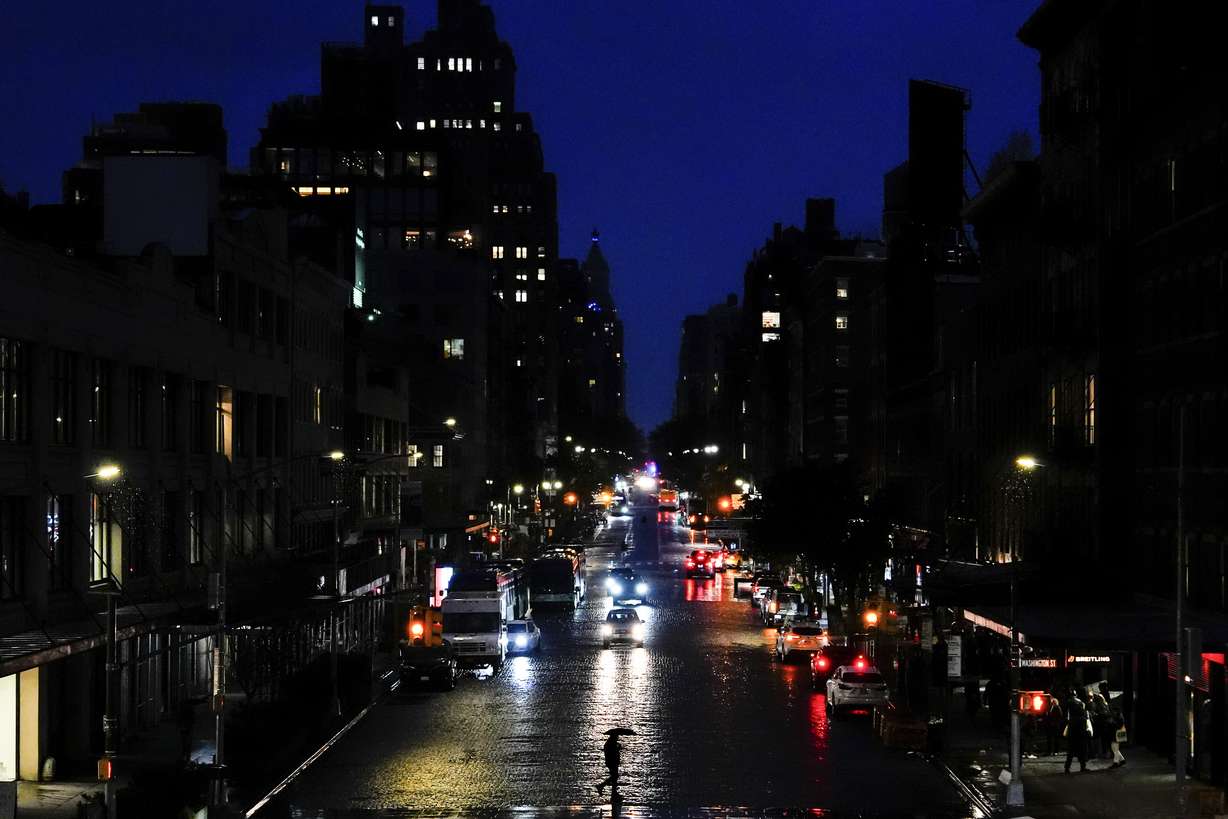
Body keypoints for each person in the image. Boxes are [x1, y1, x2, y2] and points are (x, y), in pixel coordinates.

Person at [1065, 689, 1091, 773]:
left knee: (1071, 751)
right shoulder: (1081, 704)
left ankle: (1067, 768)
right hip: (1080, 732)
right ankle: (1082, 767)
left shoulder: (1069, 704)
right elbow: (1085, 717)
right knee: (1082, 750)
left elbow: (1067, 717)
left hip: (1072, 731)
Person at [1088, 682, 1112, 759]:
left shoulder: (1102, 702)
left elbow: (1101, 713)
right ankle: (1105, 752)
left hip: (1103, 722)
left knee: (1103, 738)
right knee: (1105, 739)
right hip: (1104, 722)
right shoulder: (1106, 702)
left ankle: (1103, 752)